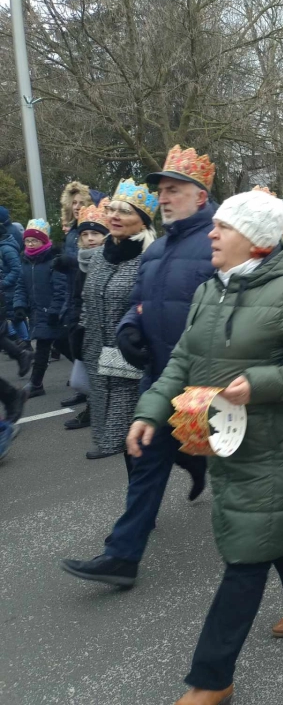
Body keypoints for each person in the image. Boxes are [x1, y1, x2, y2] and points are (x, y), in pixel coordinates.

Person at [125, 190, 283, 705]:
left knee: (248, 548)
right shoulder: (211, 291)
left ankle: (211, 678)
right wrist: (149, 412)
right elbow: (180, 362)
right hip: (229, 438)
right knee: (268, 526)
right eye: (214, 226)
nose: (212, 234)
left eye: (223, 227)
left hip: (281, 444)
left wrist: (260, 383)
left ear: (256, 241)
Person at [60, 145, 215, 588]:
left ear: (200, 196)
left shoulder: (221, 241)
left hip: (208, 386)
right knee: (145, 459)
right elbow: (139, 303)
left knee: (252, 497)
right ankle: (122, 557)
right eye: (161, 191)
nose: (164, 198)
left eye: (173, 190)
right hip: (160, 379)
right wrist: (130, 328)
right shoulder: (158, 249)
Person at [80, 181, 157, 460]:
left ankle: (140, 500)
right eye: (112, 209)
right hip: (99, 360)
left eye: (124, 212)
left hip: (134, 360)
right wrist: (80, 332)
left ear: (142, 221)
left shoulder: (151, 257)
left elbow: (155, 308)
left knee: (134, 441)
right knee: (127, 440)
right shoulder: (101, 255)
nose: (114, 216)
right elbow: (87, 298)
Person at [56, 202, 111, 430]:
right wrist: (74, 320)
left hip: (106, 328)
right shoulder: (82, 262)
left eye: (96, 233)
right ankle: (96, 409)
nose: (90, 238)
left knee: (107, 379)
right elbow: (77, 296)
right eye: (85, 234)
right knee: (82, 379)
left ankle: (104, 417)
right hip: (85, 326)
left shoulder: (109, 260)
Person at [14, 219, 68, 398]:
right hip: (37, 312)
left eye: (34, 241)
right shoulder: (26, 261)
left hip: (52, 312)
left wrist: (55, 309)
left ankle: (36, 383)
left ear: (44, 241)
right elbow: (21, 286)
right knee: (59, 346)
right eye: (27, 241)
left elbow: (60, 289)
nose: (30, 244)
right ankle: (84, 375)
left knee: (50, 347)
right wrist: (20, 305)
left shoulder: (53, 261)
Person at [0, 212, 31, 377]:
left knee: (15, 318)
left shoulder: (6, 248)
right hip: (5, 291)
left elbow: (16, 269)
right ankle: (21, 348)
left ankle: (24, 345)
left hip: (8, 290)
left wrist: (4, 283)